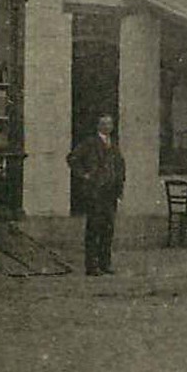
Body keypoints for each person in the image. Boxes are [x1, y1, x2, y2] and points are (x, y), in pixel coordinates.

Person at [67, 114, 126, 276]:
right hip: (95, 192)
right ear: (98, 126)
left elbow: (120, 165)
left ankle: (105, 264)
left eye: (110, 124)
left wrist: (119, 184)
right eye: (104, 124)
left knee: (108, 229)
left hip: (110, 192)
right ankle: (91, 266)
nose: (107, 127)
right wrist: (84, 175)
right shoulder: (90, 143)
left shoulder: (113, 144)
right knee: (94, 228)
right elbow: (72, 158)